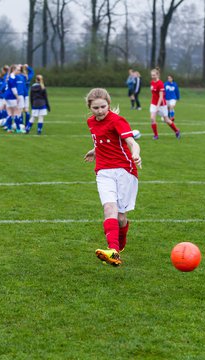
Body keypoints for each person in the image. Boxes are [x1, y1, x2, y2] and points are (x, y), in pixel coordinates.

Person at [84, 88, 142, 266]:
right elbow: (102, 139)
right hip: (103, 171)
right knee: (109, 208)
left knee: (121, 217)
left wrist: (136, 154)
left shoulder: (117, 121)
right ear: (90, 108)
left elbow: (131, 142)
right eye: (96, 108)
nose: (100, 111)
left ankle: (120, 243)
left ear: (109, 104)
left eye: (103, 106)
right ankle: (114, 251)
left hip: (124, 170)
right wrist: (95, 150)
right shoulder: (91, 122)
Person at [150, 67, 180, 140]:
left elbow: (161, 97)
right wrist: (154, 104)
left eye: (154, 75)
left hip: (161, 105)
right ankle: (156, 136)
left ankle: (176, 131)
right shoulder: (152, 82)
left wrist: (157, 107)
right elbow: (154, 94)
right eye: (152, 75)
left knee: (167, 120)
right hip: (153, 103)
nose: (152, 76)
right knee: (152, 118)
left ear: (157, 75)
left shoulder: (160, 84)